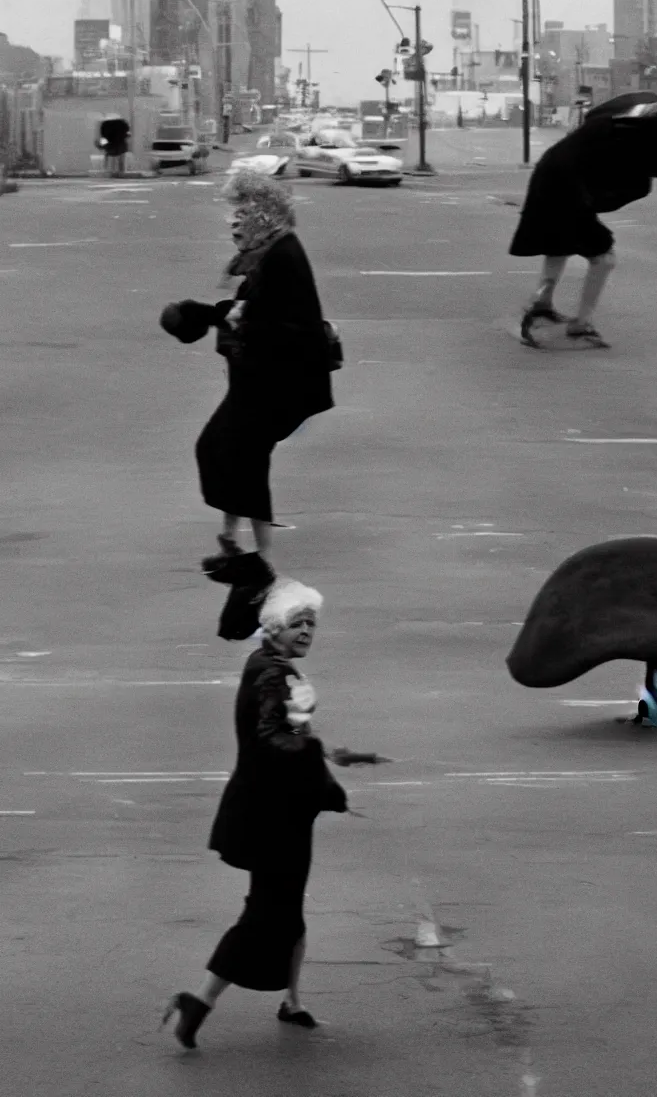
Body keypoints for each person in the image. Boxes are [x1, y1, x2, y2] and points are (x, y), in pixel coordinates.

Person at [162, 578, 349, 1050]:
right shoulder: (275, 675)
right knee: (265, 915)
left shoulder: (264, 663)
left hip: (275, 810)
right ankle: (197, 1002)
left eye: (311, 623)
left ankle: (293, 1001)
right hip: (274, 818)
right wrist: (312, 746)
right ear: (273, 628)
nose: (307, 630)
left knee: (287, 908)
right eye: (296, 623)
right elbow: (275, 738)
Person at [195, 172, 335, 569]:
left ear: (262, 214)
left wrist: (241, 319)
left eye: (241, 212)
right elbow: (258, 309)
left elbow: (290, 324)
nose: (232, 222)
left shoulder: (283, 257)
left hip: (277, 384)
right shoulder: (268, 253)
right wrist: (230, 314)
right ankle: (229, 536)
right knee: (221, 449)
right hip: (257, 380)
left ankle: (261, 555)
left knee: (244, 458)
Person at [509, 93, 657, 349]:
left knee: (558, 246)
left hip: (550, 176)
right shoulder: (628, 137)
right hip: (566, 187)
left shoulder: (609, 126)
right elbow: (637, 172)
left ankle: (541, 305)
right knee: (603, 256)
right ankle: (580, 325)